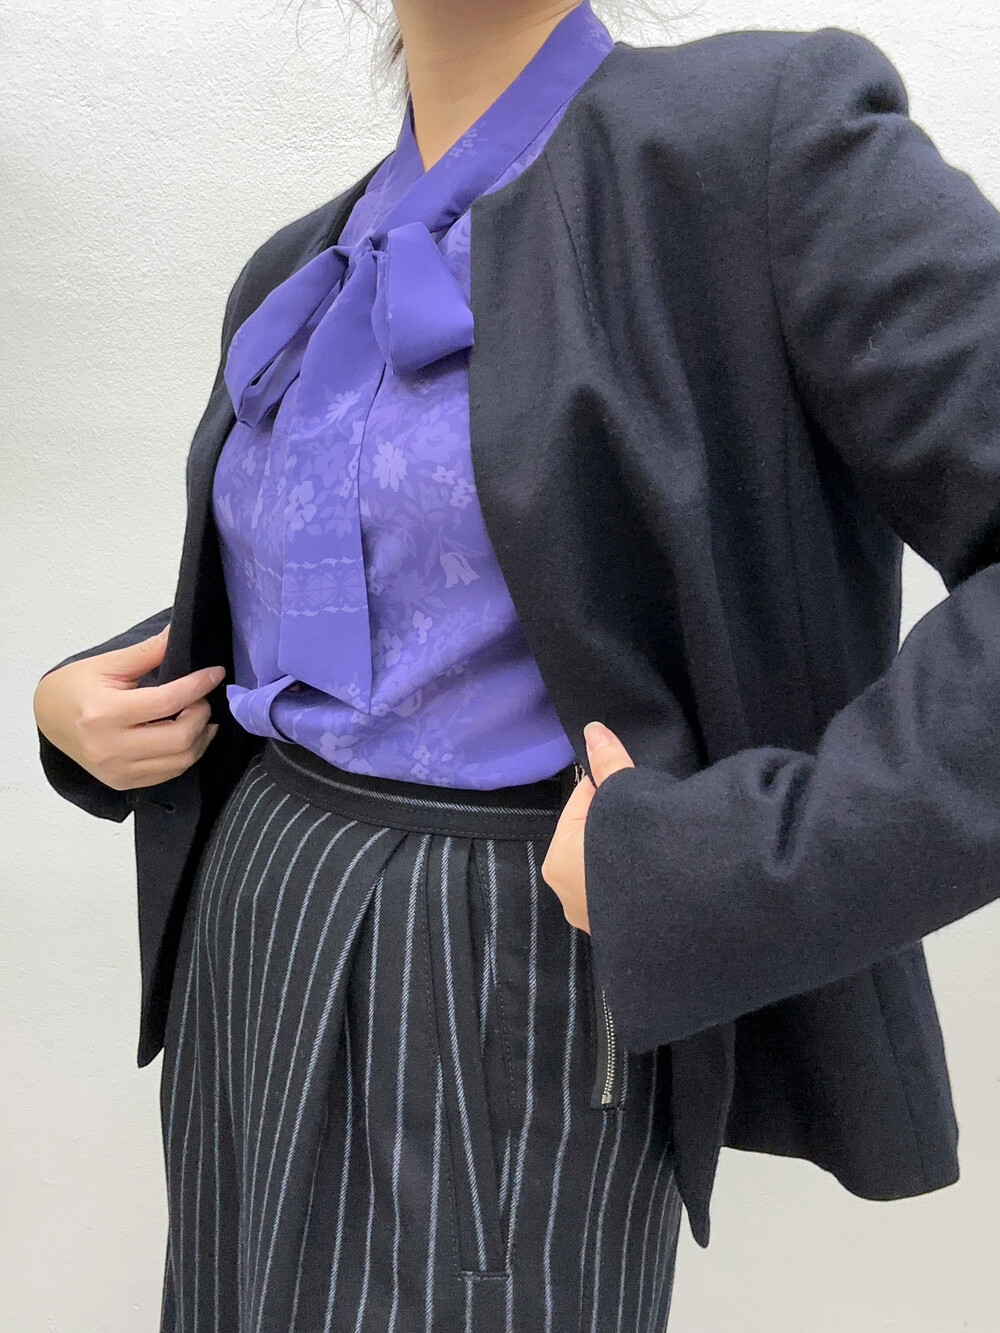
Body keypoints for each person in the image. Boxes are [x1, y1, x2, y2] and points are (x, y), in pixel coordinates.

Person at [33, 1, 1000, 1329]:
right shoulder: (298, 269)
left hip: (505, 956)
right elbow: (409, 593)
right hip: (251, 922)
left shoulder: (757, 148)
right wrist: (87, 697)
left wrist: (733, 855)